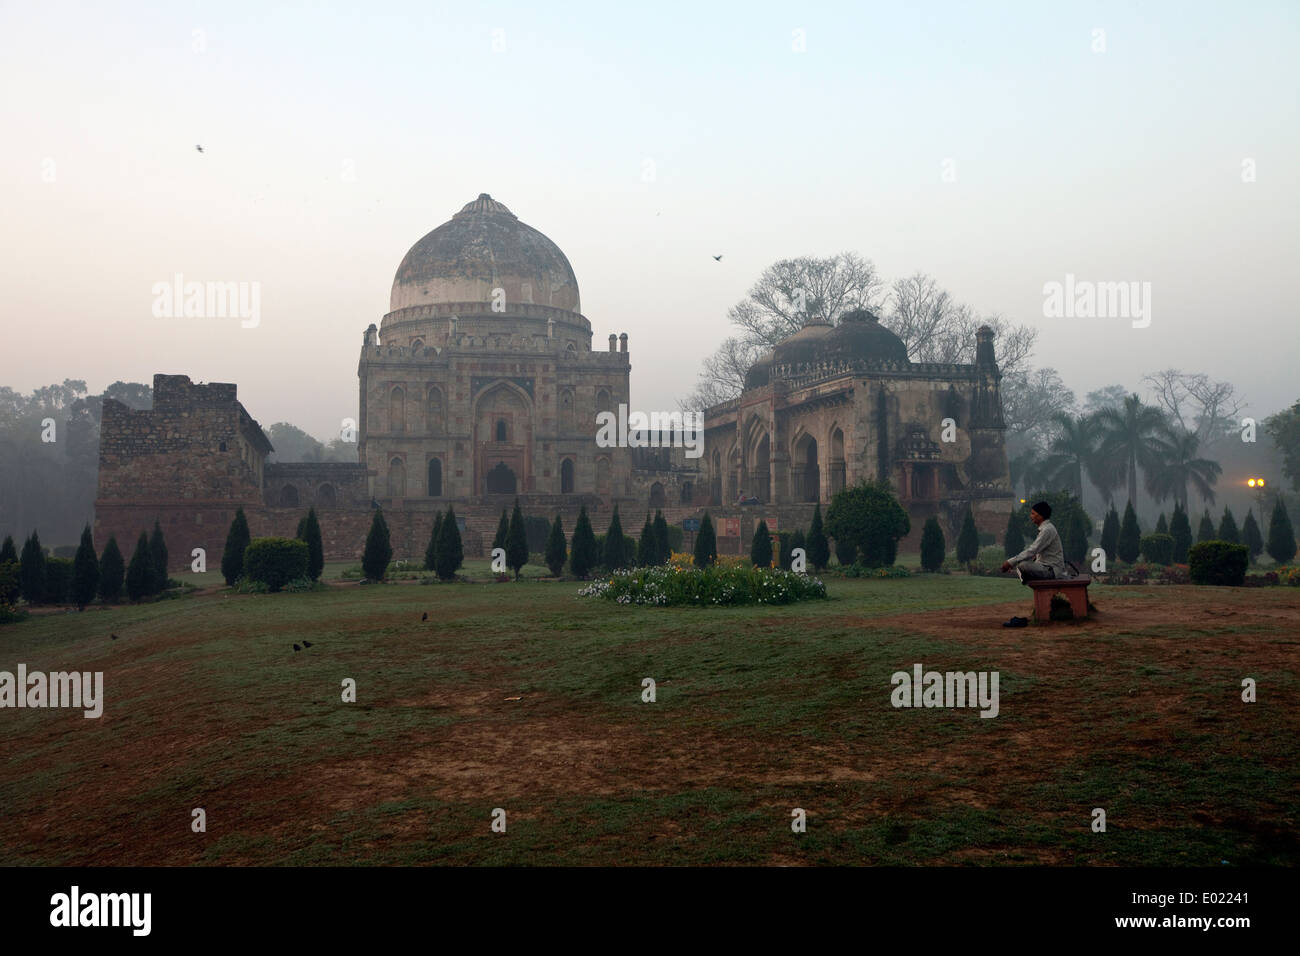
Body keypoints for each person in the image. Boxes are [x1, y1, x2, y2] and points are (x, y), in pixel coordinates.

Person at [1000, 501, 1067, 582]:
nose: (1031, 516)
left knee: (1023, 565)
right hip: (1048, 568)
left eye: (1033, 513)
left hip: (1052, 570)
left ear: (1041, 516)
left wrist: (1010, 562)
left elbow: (1032, 550)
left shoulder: (1047, 530)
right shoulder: (1047, 528)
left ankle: (1023, 576)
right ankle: (1021, 575)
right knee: (1024, 564)